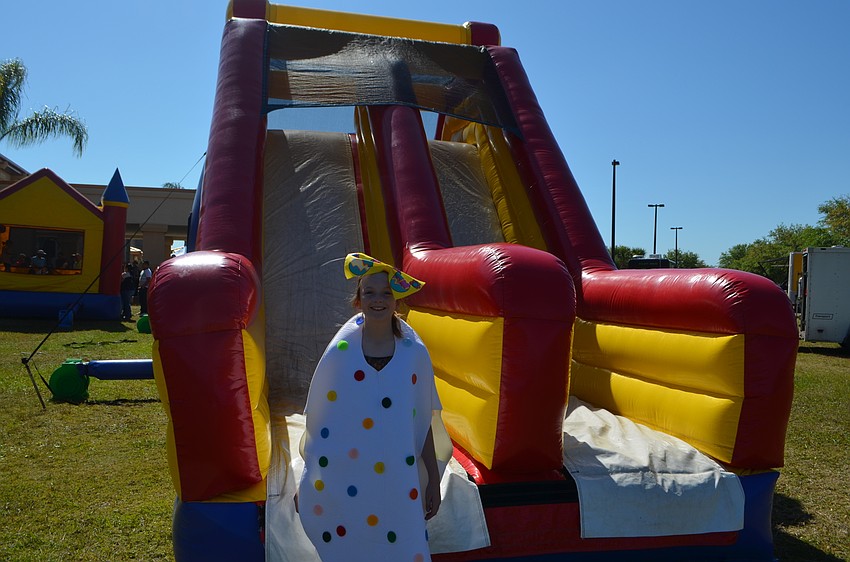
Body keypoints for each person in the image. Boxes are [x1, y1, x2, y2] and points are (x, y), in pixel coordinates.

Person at [297, 253, 448, 562]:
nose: (378, 300)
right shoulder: (341, 353)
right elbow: (324, 424)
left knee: (403, 545)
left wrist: (433, 479)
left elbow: (419, 424)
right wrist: (310, 479)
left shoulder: (413, 354)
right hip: (351, 475)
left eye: (386, 294)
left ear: (397, 302)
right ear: (358, 300)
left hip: (398, 478)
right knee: (351, 544)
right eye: (370, 293)